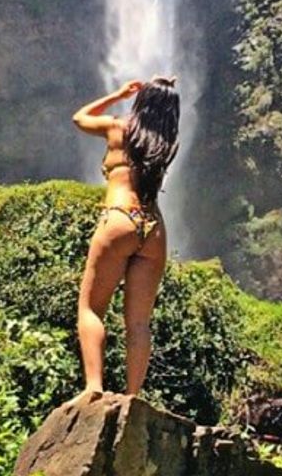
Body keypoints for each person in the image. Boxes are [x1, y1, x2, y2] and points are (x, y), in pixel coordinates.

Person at [68, 74, 180, 403]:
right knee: (140, 322)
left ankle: (94, 387)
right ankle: (132, 396)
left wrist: (119, 93)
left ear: (141, 103)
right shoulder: (165, 140)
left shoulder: (119, 128)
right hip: (153, 228)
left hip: (118, 220)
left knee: (90, 309)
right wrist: (163, 91)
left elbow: (80, 117)